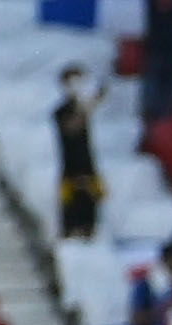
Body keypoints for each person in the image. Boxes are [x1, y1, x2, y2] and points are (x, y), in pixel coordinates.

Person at [53, 66, 104, 240]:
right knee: (71, 207)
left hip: (87, 165)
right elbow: (72, 126)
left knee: (90, 206)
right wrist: (86, 107)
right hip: (71, 168)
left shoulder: (84, 109)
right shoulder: (61, 112)